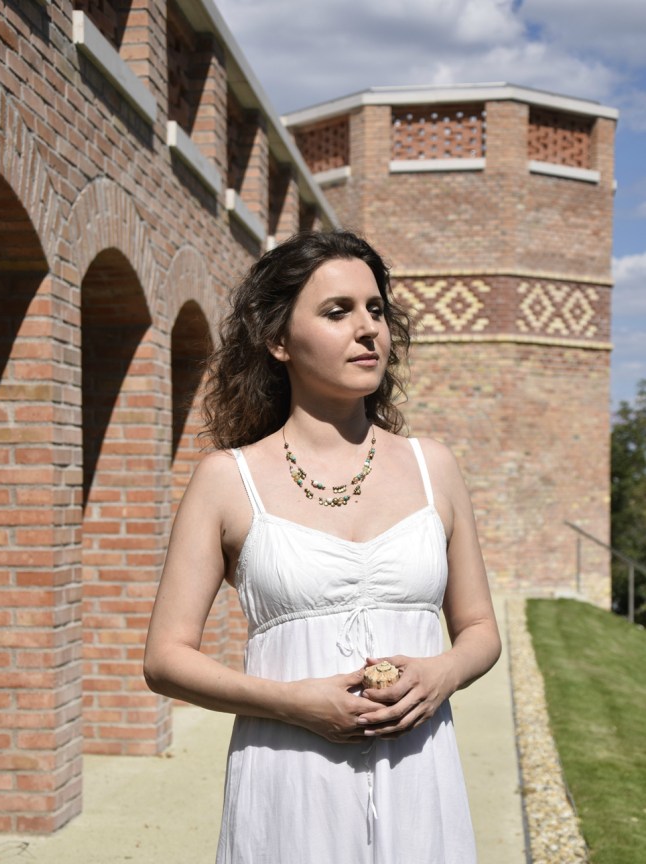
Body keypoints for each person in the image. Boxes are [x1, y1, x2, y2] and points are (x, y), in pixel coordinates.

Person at [144, 229, 501, 863]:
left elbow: (479, 629)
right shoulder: (228, 480)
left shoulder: (433, 468)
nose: (368, 330)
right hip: (289, 779)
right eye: (338, 312)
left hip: (419, 778)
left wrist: (441, 675)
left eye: (376, 310)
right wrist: (295, 703)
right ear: (278, 340)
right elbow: (166, 658)